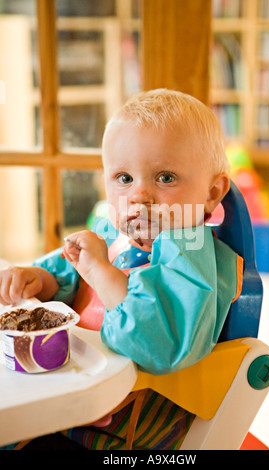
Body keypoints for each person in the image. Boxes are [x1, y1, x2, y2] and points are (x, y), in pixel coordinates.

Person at [0, 89, 243, 450]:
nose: (139, 196)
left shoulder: (190, 254)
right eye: (124, 179)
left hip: (130, 425)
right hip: (76, 394)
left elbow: (159, 342)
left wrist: (101, 271)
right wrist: (43, 280)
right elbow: (73, 276)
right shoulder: (115, 235)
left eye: (165, 178)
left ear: (211, 193)